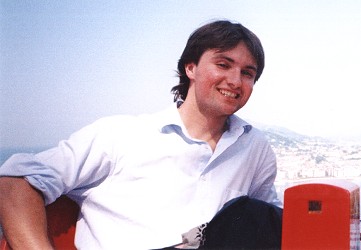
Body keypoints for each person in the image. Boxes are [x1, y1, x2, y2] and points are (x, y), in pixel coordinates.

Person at [0, 20, 281, 249]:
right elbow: (15, 183)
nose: (235, 80)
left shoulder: (253, 147)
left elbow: (266, 223)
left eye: (247, 72)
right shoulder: (122, 135)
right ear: (191, 67)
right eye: (223, 64)